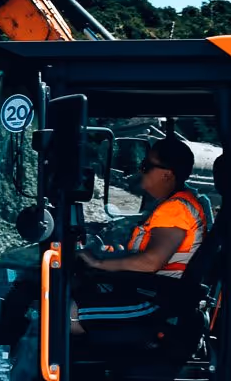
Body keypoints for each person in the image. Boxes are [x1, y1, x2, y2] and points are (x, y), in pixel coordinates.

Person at [71, 136, 207, 340]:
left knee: (62, 313)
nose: (141, 171)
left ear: (167, 175)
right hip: (147, 290)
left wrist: (98, 262)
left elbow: (151, 261)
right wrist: (109, 254)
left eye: (146, 166)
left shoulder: (175, 209)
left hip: (151, 300)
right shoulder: (172, 205)